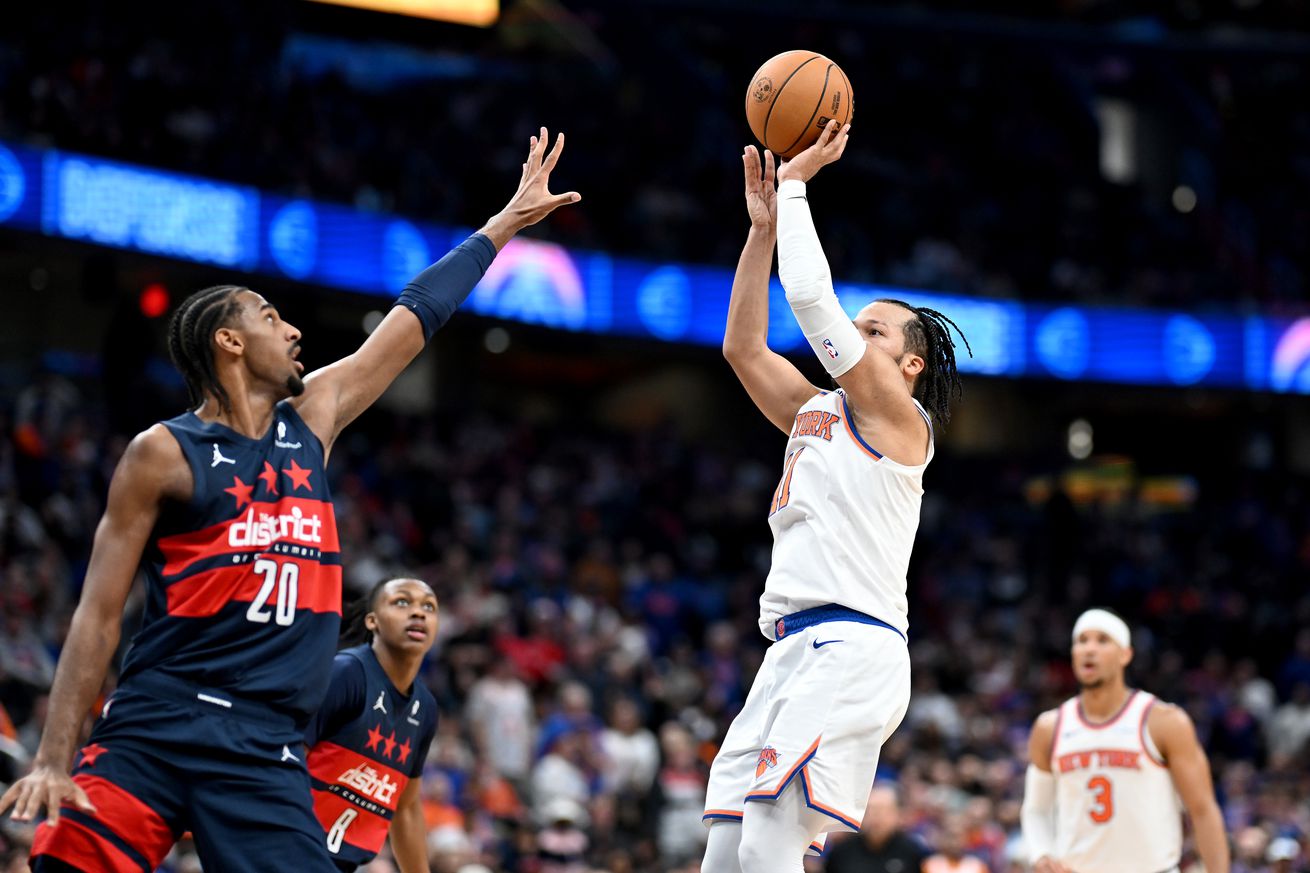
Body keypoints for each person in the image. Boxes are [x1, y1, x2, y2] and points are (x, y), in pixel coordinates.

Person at [0, 129, 580, 872]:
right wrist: (53, 756)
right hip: (157, 722)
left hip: (264, 746)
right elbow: (97, 614)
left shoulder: (312, 421)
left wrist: (500, 227)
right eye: (273, 318)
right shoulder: (161, 452)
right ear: (228, 342)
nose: (296, 328)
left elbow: (413, 318)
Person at [702, 121, 970, 873]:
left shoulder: (900, 418)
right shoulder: (815, 408)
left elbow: (813, 300)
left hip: (854, 644)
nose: (855, 336)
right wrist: (761, 233)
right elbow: (743, 348)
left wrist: (795, 187)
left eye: (873, 331)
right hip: (789, 649)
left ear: (909, 362)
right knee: (726, 853)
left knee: (767, 844)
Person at [1020, 608, 1231, 873]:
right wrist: (1041, 853)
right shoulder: (1050, 727)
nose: (1089, 649)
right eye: (1082, 641)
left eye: (1102, 640)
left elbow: (1202, 810)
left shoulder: (1164, 722)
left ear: (1125, 654)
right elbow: (1036, 809)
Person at [304, 577, 440, 872]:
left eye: (428, 606)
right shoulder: (346, 673)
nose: (418, 612)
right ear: (372, 621)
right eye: (402, 602)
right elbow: (283, 761)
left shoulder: (426, 708)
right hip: (287, 852)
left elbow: (405, 809)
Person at [822, 785, 926, 873]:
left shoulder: (912, 852)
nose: (876, 816)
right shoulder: (841, 852)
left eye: (883, 810)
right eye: (870, 810)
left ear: (897, 814)